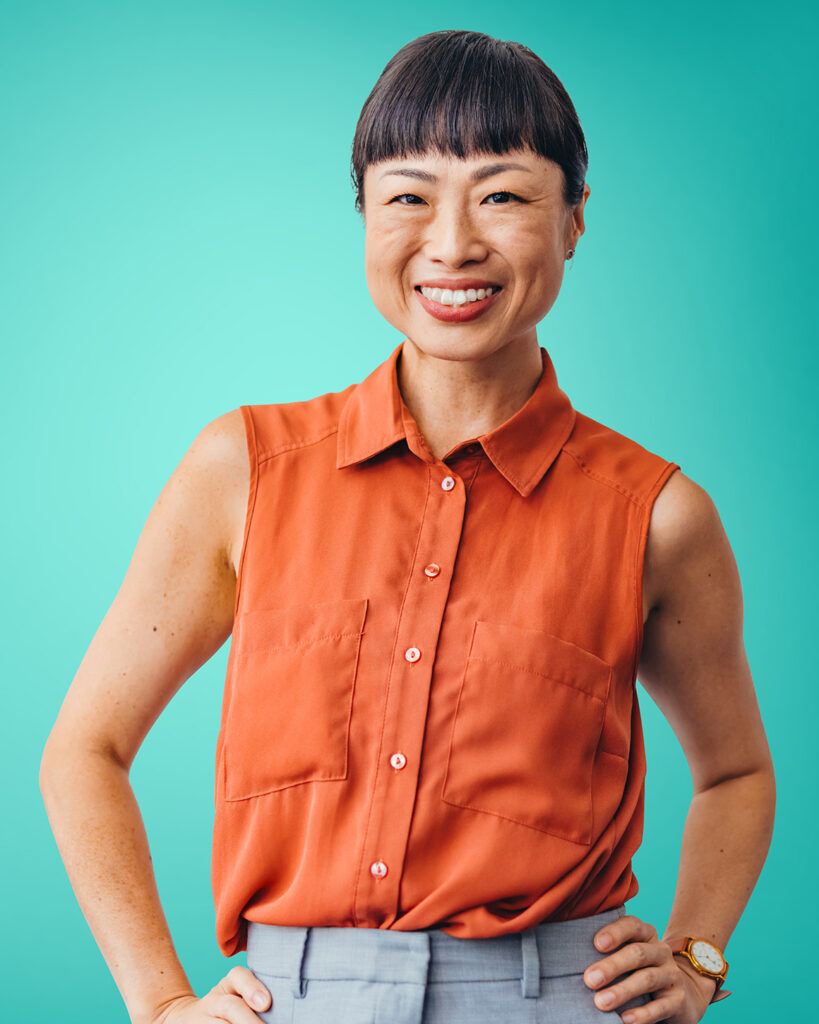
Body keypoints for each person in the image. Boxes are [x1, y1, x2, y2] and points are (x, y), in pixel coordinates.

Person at [40, 29, 775, 1024]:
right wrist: (160, 1000)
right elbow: (83, 749)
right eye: (409, 196)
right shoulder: (242, 471)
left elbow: (735, 771)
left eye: (504, 195)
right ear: (365, 217)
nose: (453, 242)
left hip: (555, 999)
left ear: (574, 221)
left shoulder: (657, 515)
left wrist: (695, 955)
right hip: (291, 999)